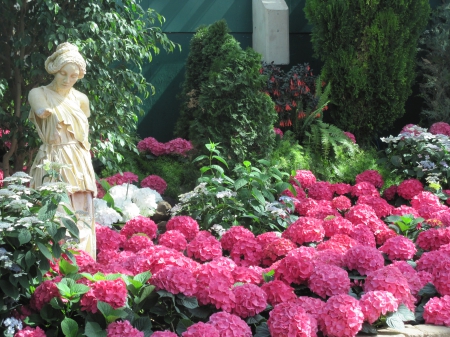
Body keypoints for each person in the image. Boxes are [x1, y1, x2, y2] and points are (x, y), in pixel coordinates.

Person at [28, 42, 97, 259]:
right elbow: (40, 110)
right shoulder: (39, 93)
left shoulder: (81, 99)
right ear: (55, 70)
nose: (67, 80)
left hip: (78, 159)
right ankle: (53, 267)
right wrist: (44, 111)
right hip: (53, 158)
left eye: (74, 76)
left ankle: (82, 264)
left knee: (81, 214)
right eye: (63, 74)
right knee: (53, 212)